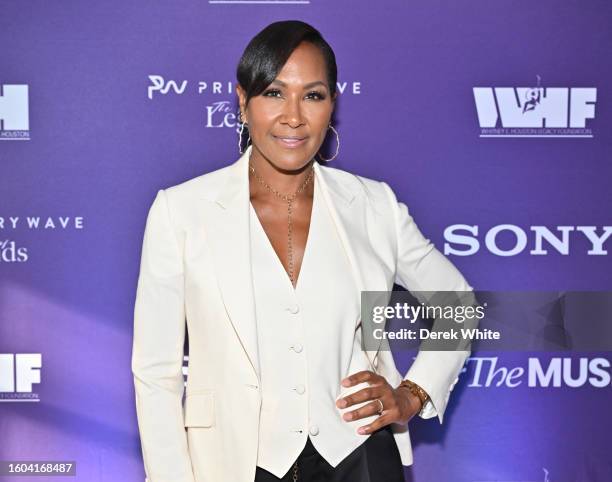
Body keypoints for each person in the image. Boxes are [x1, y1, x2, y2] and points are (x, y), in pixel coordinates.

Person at [131, 19, 473, 482]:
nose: (293, 116)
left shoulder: (373, 206)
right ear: (242, 101)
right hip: (233, 464)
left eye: (312, 95)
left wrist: (411, 394)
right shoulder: (182, 212)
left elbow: (457, 302)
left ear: (332, 104)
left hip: (359, 455)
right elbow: (156, 373)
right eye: (274, 93)